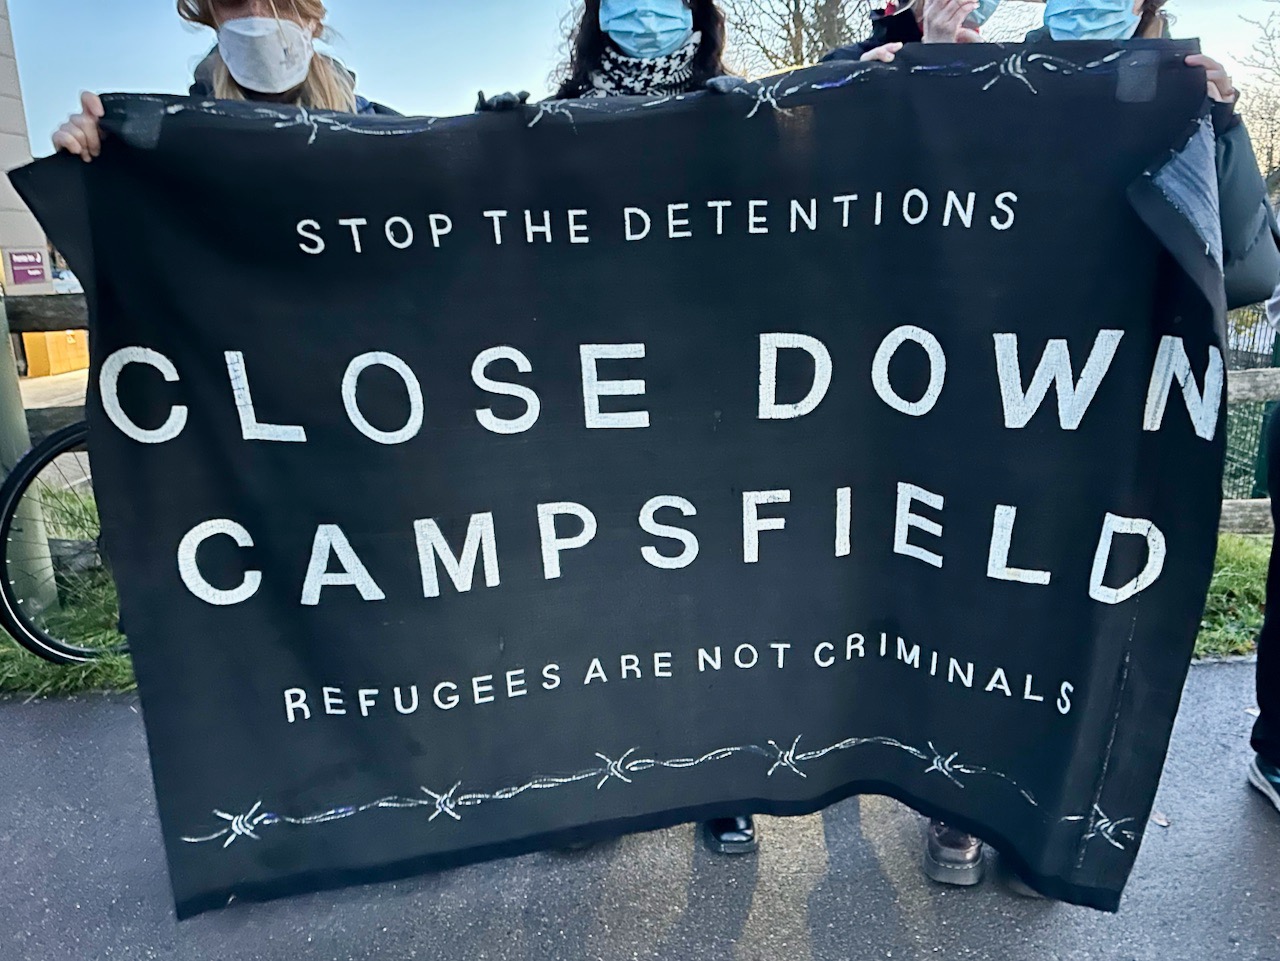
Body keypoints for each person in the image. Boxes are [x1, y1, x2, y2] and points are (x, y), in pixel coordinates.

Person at [543, 0, 753, 857]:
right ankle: (607, 779)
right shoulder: (555, 112)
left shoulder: (739, 106)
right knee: (605, 598)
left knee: (718, 599)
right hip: (598, 401)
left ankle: (723, 782)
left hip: (711, 393)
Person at [52, 0, 395, 161]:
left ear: (314, 21)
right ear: (212, 16)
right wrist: (97, 156)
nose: (258, 15)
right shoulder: (169, 145)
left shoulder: (389, 136)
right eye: (233, 0)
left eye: (283, 2)